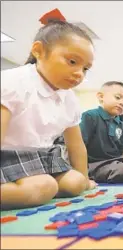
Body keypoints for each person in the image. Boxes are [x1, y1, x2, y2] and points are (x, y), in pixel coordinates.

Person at [0, 14, 97, 210]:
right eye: (72, 62)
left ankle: (35, 190)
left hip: (43, 157)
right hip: (7, 156)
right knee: (45, 186)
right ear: (38, 51)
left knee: (76, 182)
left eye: (85, 68)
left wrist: (86, 181)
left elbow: (76, 146)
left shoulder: (69, 98)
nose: (79, 73)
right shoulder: (12, 82)